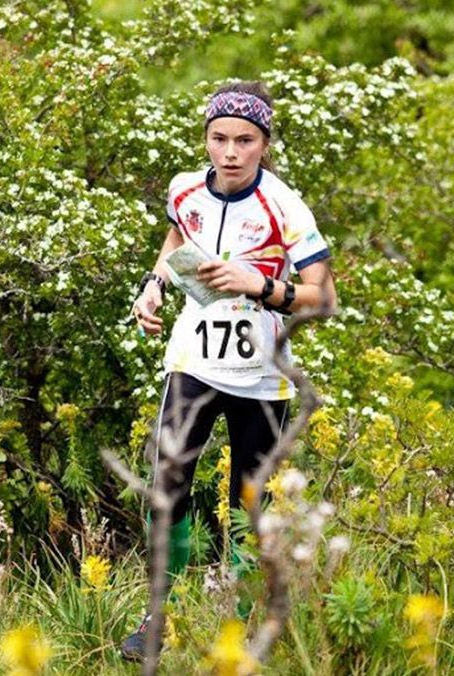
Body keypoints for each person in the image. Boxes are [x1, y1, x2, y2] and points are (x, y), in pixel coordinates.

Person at [120, 81, 337, 661]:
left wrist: (259, 286)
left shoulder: (285, 207)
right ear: (206, 139)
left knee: (252, 502)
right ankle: (159, 616)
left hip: (263, 375)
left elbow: (322, 297)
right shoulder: (185, 188)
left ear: (264, 143)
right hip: (193, 362)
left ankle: (241, 621)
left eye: (245, 140)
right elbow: (176, 235)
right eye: (219, 138)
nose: (231, 152)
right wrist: (155, 285)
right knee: (166, 488)